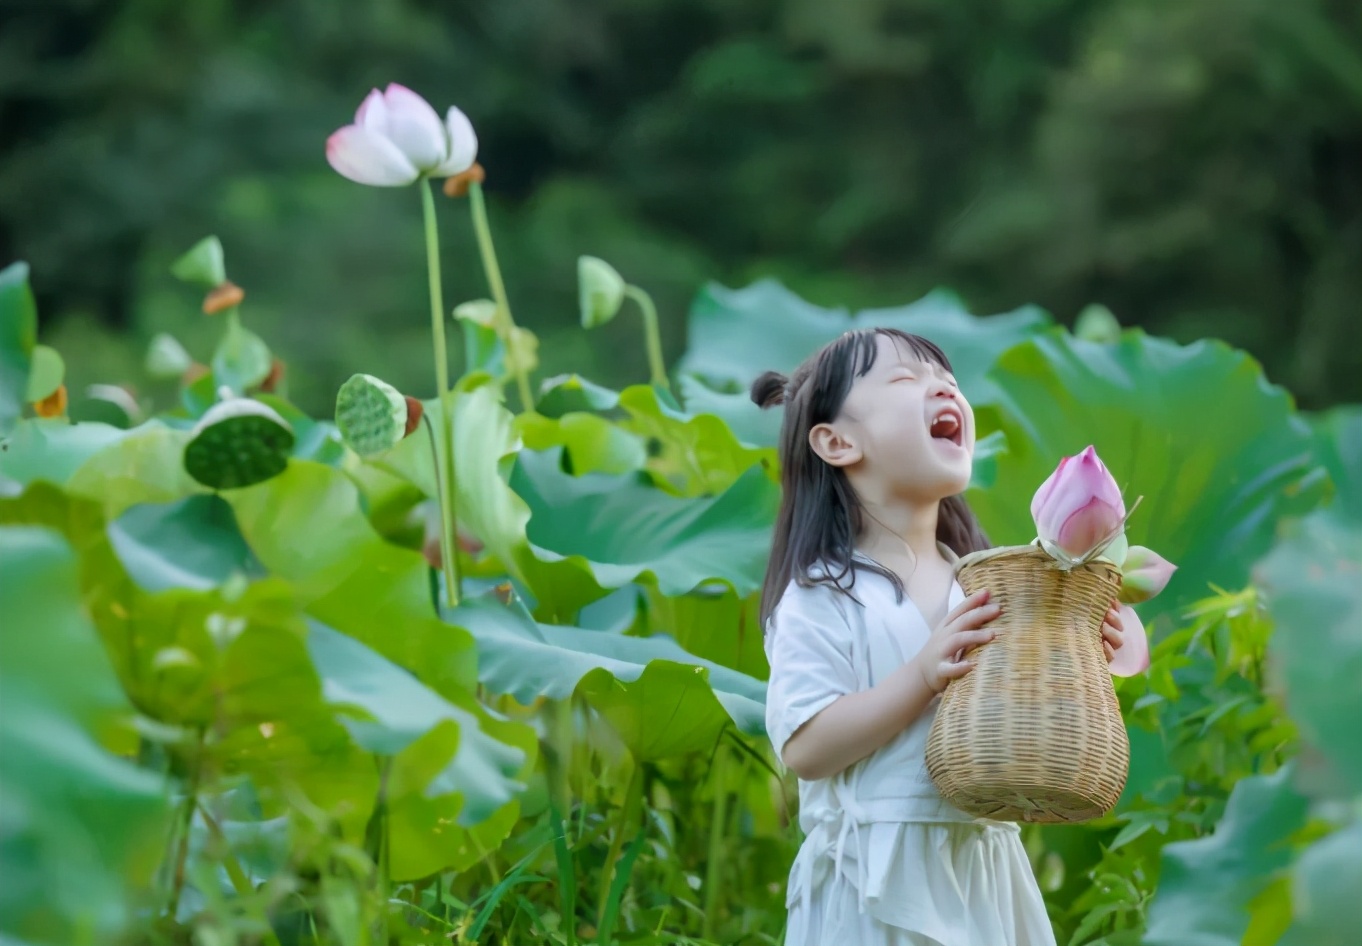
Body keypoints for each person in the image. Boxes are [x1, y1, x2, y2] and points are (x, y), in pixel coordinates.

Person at [752, 328, 1126, 946]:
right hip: (870, 882)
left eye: (949, 383)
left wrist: (1084, 646)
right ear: (836, 441)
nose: (943, 390)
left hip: (983, 870)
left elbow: (1021, 715)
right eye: (906, 381)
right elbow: (806, 747)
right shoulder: (823, 592)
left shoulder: (986, 580)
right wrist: (921, 675)